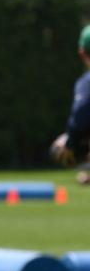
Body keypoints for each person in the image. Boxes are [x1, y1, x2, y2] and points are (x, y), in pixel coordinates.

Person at [50, 25, 90, 185]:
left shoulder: (87, 83)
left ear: (82, 53)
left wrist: (70, 144)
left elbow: (81, 116)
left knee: (57, 149)